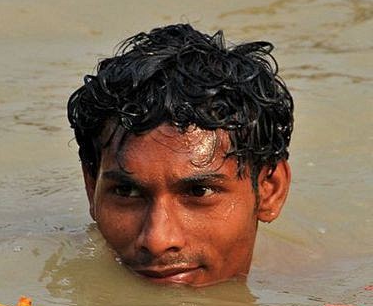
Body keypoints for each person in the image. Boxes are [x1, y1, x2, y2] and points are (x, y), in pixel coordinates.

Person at [67, 23, 294, 287]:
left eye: (199, 192)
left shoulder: (328, 295)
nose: (157, 240)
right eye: (126, 192)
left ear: (270, 189)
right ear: (91, 186)